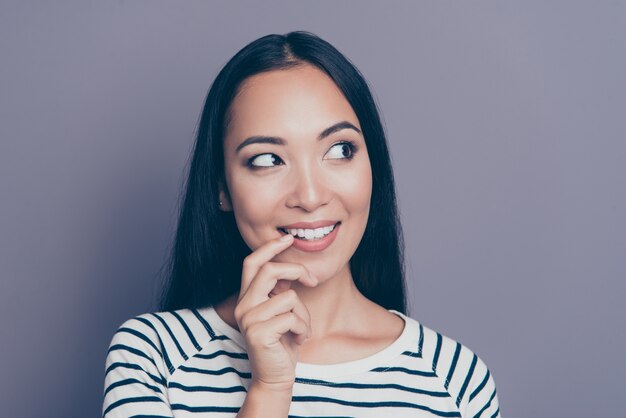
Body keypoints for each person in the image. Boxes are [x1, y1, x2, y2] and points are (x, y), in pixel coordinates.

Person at [102, 31, 501, 418]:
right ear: (221, 189)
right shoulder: (153, 356)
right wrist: (269, 389)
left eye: (340, 150)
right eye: (267, 159)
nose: (310, 196)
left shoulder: (454, 382)